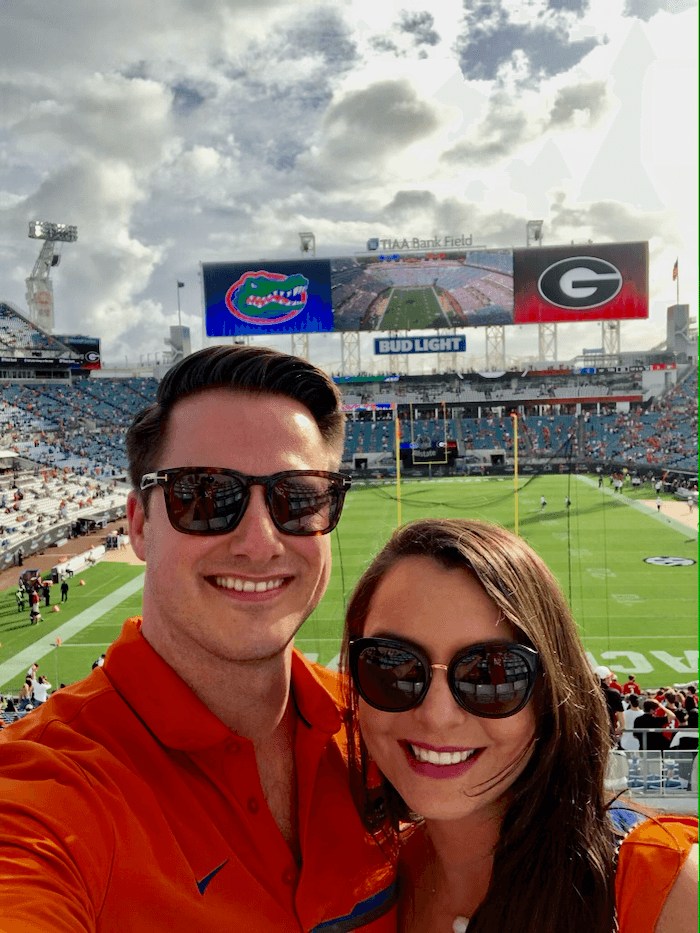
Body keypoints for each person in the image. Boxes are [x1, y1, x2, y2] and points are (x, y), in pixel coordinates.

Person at [0, 346, 396, 932]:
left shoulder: (383, 731)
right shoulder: (49, 790)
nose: (260, 542)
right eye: (205, 496)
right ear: (139, 524)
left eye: (300, 497)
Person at [341, 518, 698, 933]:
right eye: (392, 665)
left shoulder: (667, 889)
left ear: (549, 691)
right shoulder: (360, 884)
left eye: (492, 674)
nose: (437, 714)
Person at [594, 665, 625, 744]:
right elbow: (620, 712)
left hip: (592, 728)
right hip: (608, 728)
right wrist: (622, 726)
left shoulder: (589, 692)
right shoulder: (613, 693)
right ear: (606, 678)